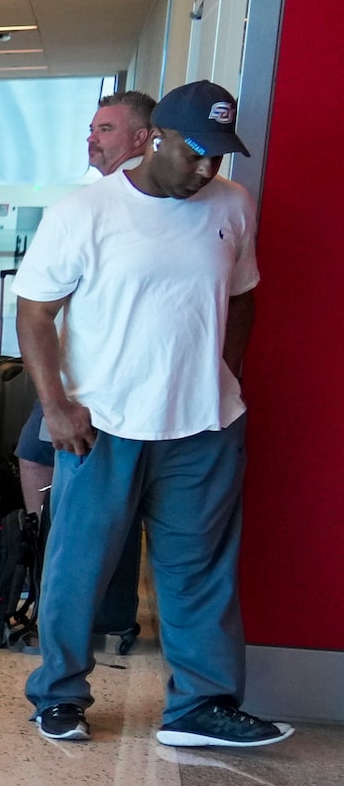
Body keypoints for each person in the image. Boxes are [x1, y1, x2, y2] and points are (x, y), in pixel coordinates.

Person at [15, 81, 288, 748]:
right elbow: (35, 312)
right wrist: (55, 406)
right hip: (105, 424)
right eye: (195, 153)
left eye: (218, 157)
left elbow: (243, 295)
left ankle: (199, 706)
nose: (206, 169)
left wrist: (226, 377)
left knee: (200, 572)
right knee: (81, 566)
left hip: (203, 426)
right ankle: (59, 695)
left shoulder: (232, 205)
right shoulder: (87, 211)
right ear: (156, 138)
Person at [86, 88, 155, 177]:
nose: (91, 138)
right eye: (92, 130)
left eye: (104, 130)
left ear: (139, 137)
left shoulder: (119, 187)